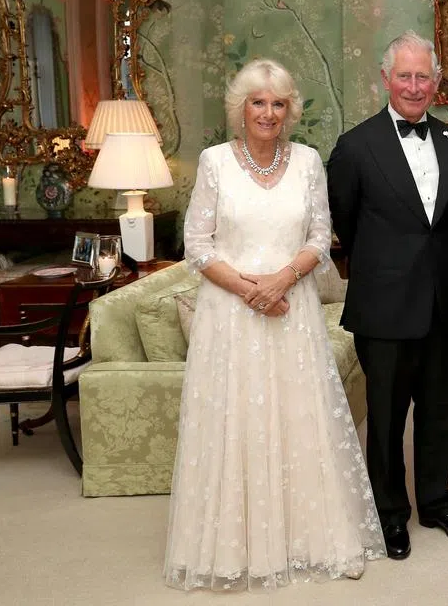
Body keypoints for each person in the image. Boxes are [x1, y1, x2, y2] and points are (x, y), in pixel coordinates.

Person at [164, 59, 384, 591]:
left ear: (290, 111)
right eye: (258, 102)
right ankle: (235, 550)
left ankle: (319, 541)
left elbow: (320, 236)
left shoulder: (308, 161)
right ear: (241, 108)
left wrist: (281, 281)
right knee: (236, 423)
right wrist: (251, 290)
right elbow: (197, 246)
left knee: (300, 420)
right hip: (230, 315)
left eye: (278, 103)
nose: (268, 112)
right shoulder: (215, 162)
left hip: (293, 312)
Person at [327, 31, 448, 561]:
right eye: (405, 75)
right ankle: (390, 514)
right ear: (385, 78)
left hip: (442, 301)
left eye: (424, 76)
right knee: (387, 419)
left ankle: (436, 502)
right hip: (385, 304)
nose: (415, 86)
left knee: (439, 412)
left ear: (436, 83)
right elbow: (345, 221)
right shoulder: (355, 146)